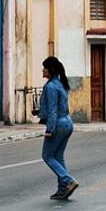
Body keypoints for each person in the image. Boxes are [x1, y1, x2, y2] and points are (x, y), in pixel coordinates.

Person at [39, 56, 77, 200]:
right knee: (58, 156)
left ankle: (68, 180)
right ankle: (63, 189)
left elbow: (53, 111)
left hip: (58, 124)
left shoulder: (50, 87)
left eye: (44, 68)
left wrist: (49, 130)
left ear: (51, 70)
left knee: (47, 155)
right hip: (67, 122)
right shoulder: (60, 84)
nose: (42, 70)